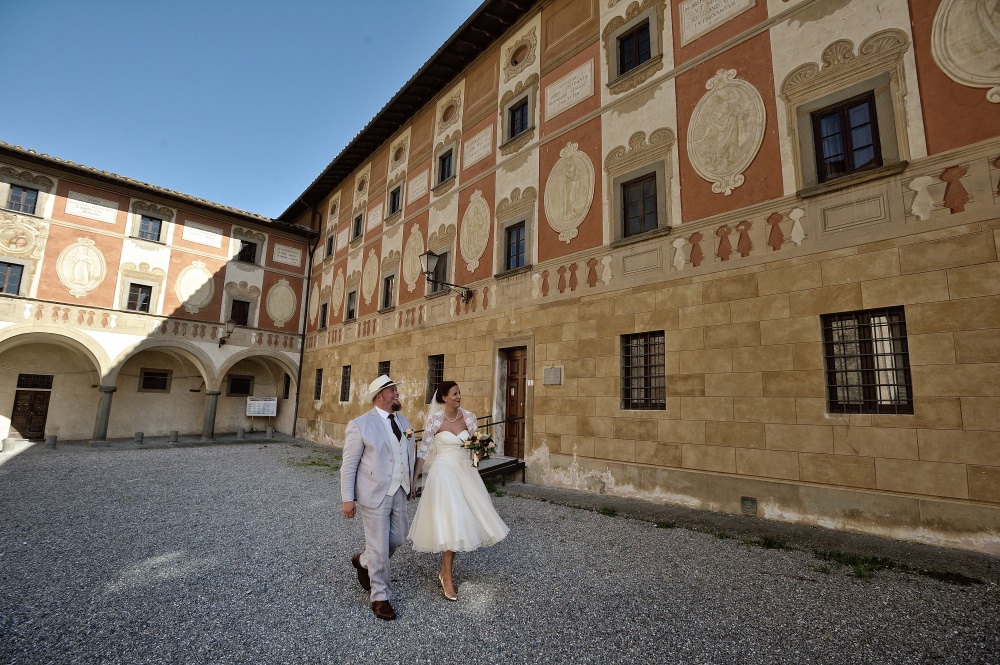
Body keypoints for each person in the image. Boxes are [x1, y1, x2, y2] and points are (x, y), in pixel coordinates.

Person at [408, 380, 509, 601]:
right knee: (451, 521)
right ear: (444, 397)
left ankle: (445, 572)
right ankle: (448, 576)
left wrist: (481, 453)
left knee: (462, 521)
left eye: (459, 393)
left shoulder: (469, 417)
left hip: (465, 474)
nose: (458, 397)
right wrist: (413, 481)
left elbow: (476, 445)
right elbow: (424, 451)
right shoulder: (435, 420)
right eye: (454, 394)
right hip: (443, 475)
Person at [340, 375, 415, 621]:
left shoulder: (403, 420)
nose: (397, 394)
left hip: (400, 491)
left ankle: (362, 560)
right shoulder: (360, 424)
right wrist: (347, 499)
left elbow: (406, 456)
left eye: (395, 389)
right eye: (392, 390)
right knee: (380, 547)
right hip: (373, 494)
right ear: (380, 396)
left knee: (398, 537)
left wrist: (411, 483)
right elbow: (349, 465)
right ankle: (380, 597)